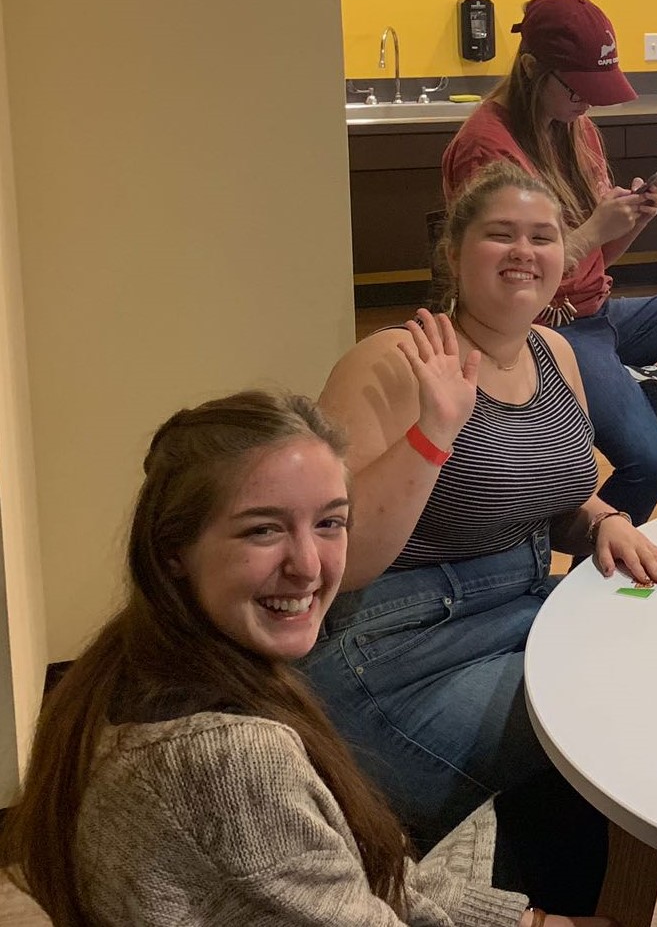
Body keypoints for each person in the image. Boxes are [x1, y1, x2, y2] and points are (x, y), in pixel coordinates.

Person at [0, 390, 610, 927]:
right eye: (262, 530)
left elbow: (364, 870)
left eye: (329, 523)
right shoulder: (223, 758)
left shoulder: (129, 659)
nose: (310, 566)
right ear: (172, 550)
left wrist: (527, 921)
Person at [309, 164, 657, 915]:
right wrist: (433, 432)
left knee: (636, 674)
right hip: (393, 650)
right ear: (454, 254)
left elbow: (559, 490)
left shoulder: (554, 354)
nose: (524, 251)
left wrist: (603, 518)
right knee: (603, 716)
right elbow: (340, 563)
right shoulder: (392, 362)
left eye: (541, 236)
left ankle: (548, 906)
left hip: (515, 612)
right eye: (498, 234)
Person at [441, 0, 657, 526]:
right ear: (532, 69)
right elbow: (508, 283)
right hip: (542, 330)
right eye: (579, 89)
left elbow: (593, 262)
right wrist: (594, 228)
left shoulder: (575, 130)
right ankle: (590, 578)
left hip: (596, 315)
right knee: (650, 463)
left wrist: (629, 222)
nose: (589, 105)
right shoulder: (487, 148)